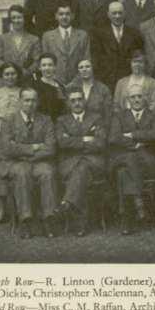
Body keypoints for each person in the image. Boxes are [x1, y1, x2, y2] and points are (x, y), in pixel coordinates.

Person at [0, 87, 57, 239]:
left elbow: (50, 148)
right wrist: (34, 147)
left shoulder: (46, 120)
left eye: (33, 100)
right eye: (26, 100)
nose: (30, 104)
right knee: (22, 173)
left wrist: (21, 149)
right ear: (20, 101)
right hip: (14, 163)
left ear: (38, 102)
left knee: (47, 172)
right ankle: (25, 220)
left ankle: (48, 219)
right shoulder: (8, 120)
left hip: (37, 162)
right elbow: (7, 148)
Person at [109, 85, 155, 235]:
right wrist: (137, 144)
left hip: (148, 162)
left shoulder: (153, 115)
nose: (137, 100)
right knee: (126, 166)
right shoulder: (119, 116)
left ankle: (127, 219)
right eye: (133, 97)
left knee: (123, 173)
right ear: (128, 99)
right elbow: (114, 137)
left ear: (145, 98)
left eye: (139, 96)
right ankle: (137, 204)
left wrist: (132, 135)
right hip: (128, 157)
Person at [53, 89, 107, 237]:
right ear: (68, 103)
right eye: (73, 100)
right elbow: (61, 143)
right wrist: (85, 138)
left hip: (94, 163)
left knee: (81, 170)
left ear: (84, 101)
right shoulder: (61, 121)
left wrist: (72, 140)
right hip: (69, 164)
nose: (77, 103)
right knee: (81, 171)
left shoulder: (97, 118)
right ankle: (78, 221)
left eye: (79, 99)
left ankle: (67, 203)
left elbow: (100, 143)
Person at [0, 63, 22, 221]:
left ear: (17, 75)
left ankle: (18, 208)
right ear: (2, 76)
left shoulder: (22, 92)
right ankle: (1, 209)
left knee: (17, 167)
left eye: (13, 73)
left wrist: (16, 131)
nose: (10, 77)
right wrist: (2, 128)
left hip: (18, 133)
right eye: (7, 74)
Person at [90, 0, 144, 87]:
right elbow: (96, 60)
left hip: (128, 81)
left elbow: (138, 57)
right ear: (108, 15)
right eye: (114, 13)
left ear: (125, 14)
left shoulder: (134, 33)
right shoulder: (99, 34)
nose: (117, 16)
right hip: (106, 81)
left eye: (120, 13)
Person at [40, 4, 90, 84]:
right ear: (56, 16)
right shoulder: (47, 36)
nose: (64, 17)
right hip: (54, 82)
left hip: (78, 82)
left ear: (73, 16)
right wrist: (56, 82)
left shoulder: (82, 35)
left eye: (67, 14)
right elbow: (45, 63)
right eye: (61, 14)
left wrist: (76, 81)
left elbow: (87, 59)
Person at [0, 5, 40, 82]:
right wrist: (9, 70)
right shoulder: (2, 39)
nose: (16, 20)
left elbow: (37, 61)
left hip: (25, 80)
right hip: (6, 80)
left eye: (19, 17)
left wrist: (26, 72)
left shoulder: (34, 39)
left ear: (24, 19)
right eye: (13, 18)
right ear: (10, 20)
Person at [65, 59, 113, 125]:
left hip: (97, 126)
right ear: (78, 70)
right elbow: (65, 112)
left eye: (87, 66)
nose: (84, 69)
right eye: (81, 67)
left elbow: (108, 114)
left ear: (92, 68)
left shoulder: (103, 89)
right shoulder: (70, 88)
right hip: (74, 126)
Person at [32, 53, 66, 120]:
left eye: (50, 65)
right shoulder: (35, 86)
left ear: (55, 67)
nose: (47, 68)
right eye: (44, 65)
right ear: (40, 68)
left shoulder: (60, 86)